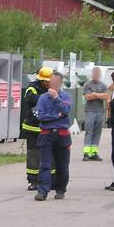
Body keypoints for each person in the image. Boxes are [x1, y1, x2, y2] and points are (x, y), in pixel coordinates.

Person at [34, 72, 72, 201]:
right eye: (51, 82)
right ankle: (42, 191)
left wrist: (56, 98)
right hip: (46, 134)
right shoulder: (42, 98)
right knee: (45, 164)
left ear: (60, 83)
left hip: (62, 135)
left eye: (55, 82)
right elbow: (40, 116)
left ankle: (60, 189)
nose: (52, 85)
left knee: (62, 165)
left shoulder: (66, 96)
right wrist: (56, 116)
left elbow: (66, 111)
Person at [20, 67, 53, 191]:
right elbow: (31, 100)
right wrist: (48, 97)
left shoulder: (52, 89)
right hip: (32, 128)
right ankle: (33, 180)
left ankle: (49, 179)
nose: (48, 83)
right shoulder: (32, 89)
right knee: (33, 155)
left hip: (47, 128)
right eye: (46, 81)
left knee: (48, 154)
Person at [82, 67, 109, 161]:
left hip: (100, 111)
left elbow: (106, 96)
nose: (96, 75)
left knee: (97, 131)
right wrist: (99, 95)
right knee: (89, 130)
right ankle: (86, 152)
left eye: (98, 73)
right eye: (95, 73)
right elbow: (88, 97)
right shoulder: (88, 85)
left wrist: (95, 94)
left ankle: (94, 152)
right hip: (90, 111)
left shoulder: (103, 85)